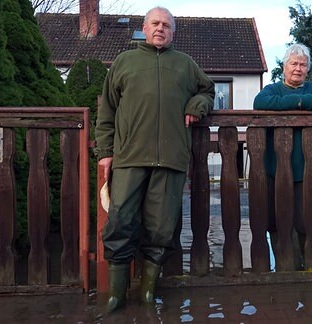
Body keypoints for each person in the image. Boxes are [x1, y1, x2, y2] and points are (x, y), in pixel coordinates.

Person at [94, 6, 215, 311]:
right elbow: (107, 110)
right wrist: (105, 153)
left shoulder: (186, 65)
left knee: (161, 228)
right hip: (129, 157)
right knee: (120, 221)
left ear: (173, 32)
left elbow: (209, 90)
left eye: (167, 25)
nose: (161, 29)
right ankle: (115, 296)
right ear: (144, 29)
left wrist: (197, 103)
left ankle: (148, 293)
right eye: (155, 24)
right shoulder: (124, 62)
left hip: (171, 159)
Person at [253, 43, 312, 269]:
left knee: (305, 222)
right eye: (294, 63)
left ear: (307, 69)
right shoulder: (272, 89)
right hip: (274, 169)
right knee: (276, 221)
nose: (298, 69)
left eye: (303, 64)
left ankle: (308, 267)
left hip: (304, 171)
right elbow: (260, 103)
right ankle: (283, 266)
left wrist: (304, 100)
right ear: (284, 66)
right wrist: (297, 103)